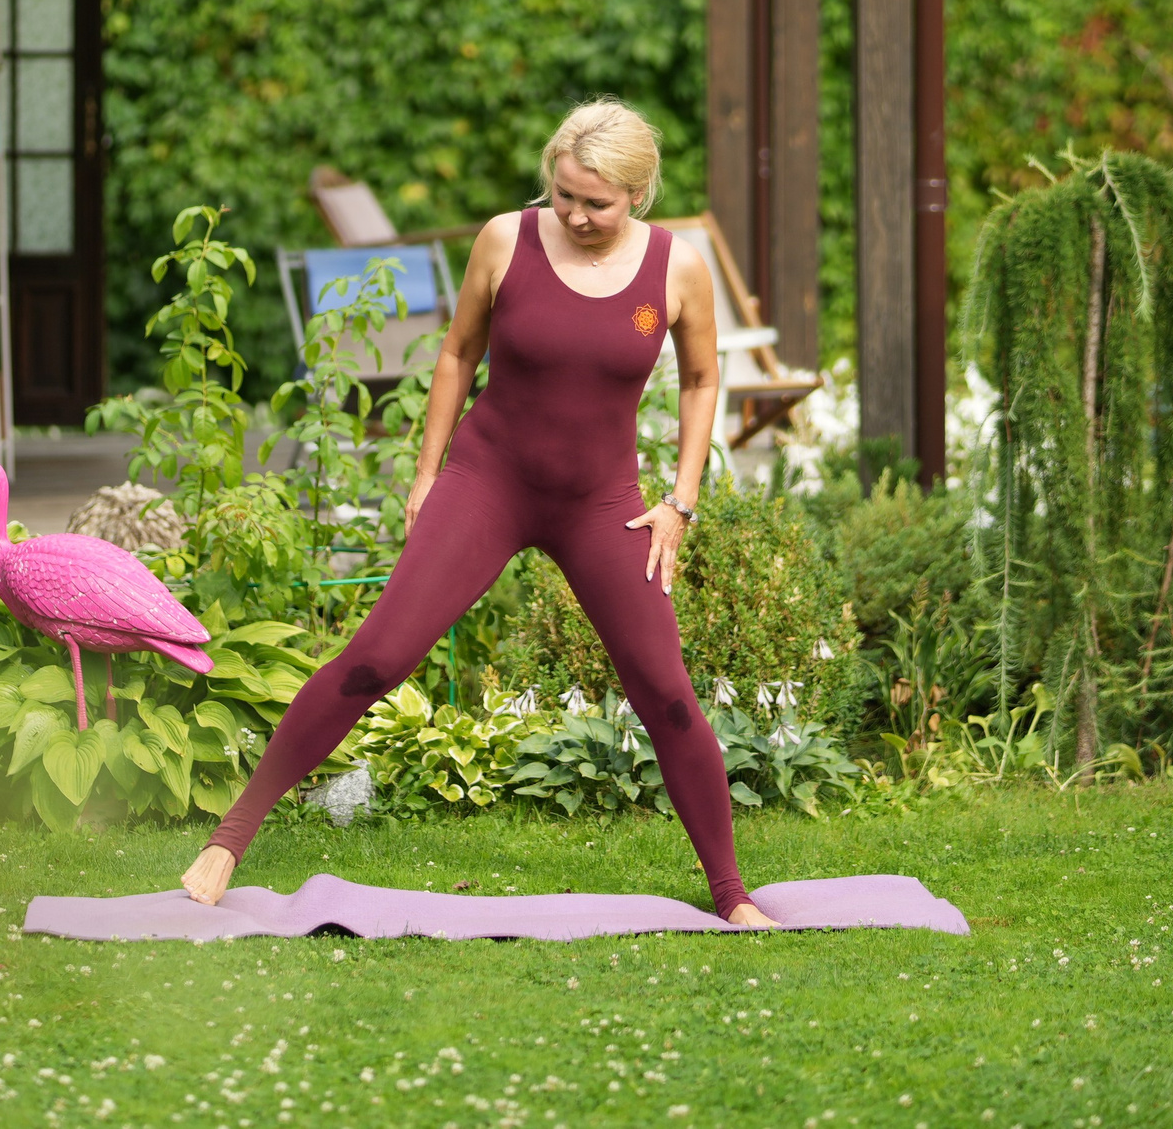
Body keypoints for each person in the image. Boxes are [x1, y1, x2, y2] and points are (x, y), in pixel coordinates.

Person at [183, 100, 776, 925]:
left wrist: (681, 500)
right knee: (376, 657)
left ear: (638, 195)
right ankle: (228, 838)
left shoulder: (676, 268)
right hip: (488, 480)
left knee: (666, 692)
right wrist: (428, 473)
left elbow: (706, 378)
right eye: (562, 192)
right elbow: (458, 351)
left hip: (603, 501)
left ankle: (732, 893)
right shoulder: (507, 239)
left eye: (594, 202)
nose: (572, 213)